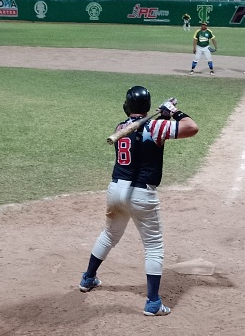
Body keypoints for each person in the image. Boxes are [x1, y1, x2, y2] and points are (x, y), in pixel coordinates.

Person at [78, 86, 199, 316]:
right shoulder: (156, 127)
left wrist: (162, 116)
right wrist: (175, 112)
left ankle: (88, 278)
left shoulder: (121, 127)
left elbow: (141, 137)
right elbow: (191, 128)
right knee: (154, 246)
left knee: (109, 235)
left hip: (116, 191)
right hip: (142, 194)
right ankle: (153, 303)